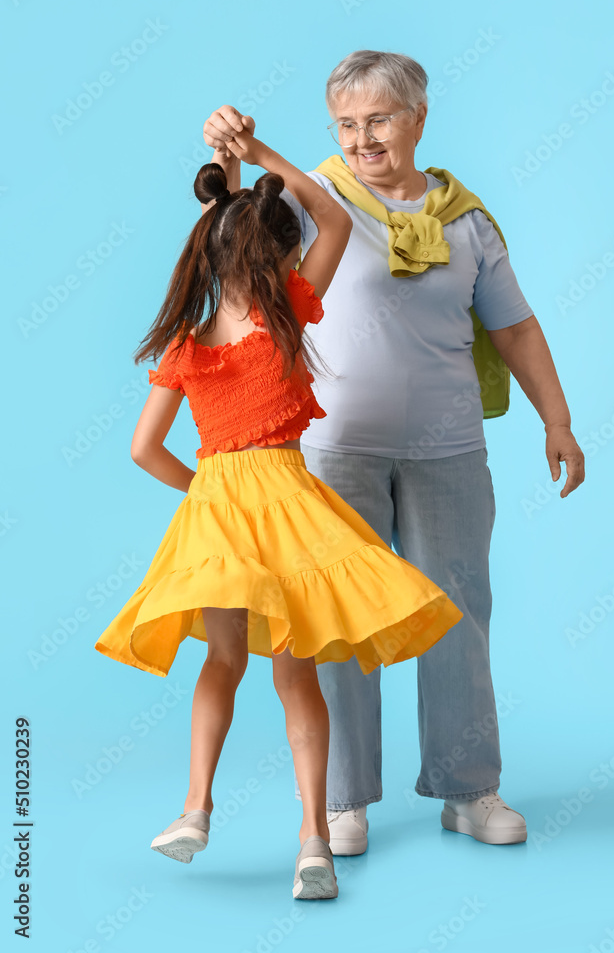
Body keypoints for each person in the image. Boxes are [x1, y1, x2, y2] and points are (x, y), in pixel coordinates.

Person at [201, 49, 586, 856]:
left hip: (448, 447)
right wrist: (228, 159)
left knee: (457, 612)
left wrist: (556, 420)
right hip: (336, 450)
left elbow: (513, 325)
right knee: (335, 624)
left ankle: (467, 789)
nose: (362, 138)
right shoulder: (313, 200)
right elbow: (234, 239)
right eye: (346, 123)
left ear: (417, 118)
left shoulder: (466, 220)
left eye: (377, 119)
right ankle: (342, 800)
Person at [93, 122, 464, 900]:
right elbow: (332, 218)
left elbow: (142, 451)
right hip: (291, 504)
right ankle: (314, 845)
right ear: (281, 257)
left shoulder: (188, 347)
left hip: (220, 510)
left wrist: (204, 492)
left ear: (210, 253)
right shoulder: (290, 312)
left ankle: (195, 809)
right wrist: (259, 160)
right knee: (298, 682)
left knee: (220, 663)